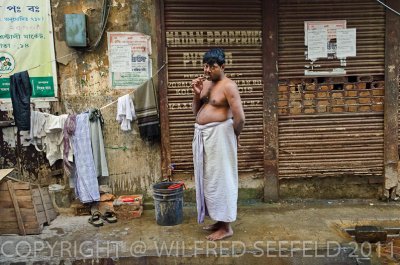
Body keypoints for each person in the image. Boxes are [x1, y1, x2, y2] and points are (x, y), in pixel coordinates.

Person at [191, 48, 245, 241]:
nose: (207, 70)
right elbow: (196, 111)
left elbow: (240, 118)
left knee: (223, 178)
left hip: (221, 136)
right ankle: (218, 220)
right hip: (204, 137)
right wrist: (197, 94)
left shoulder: (229, 86)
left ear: (222, 66)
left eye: (212, 67)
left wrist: (234, 136)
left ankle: (227, 227)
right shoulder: (205, 84)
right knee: (209, 179)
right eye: (205, 66)